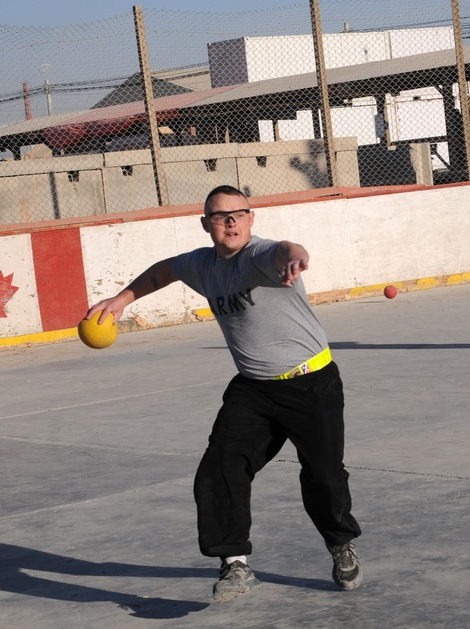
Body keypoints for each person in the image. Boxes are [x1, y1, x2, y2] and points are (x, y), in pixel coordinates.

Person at [85, 184, 362, 603]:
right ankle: (234, 563)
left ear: (251, 220)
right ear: (206, 225)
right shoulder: (202, 265)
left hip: (312, 385)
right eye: (220, 215)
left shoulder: (261, 255)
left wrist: (295, 255)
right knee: (219, 470)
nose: (230, 221)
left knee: (323, 475)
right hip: (253, 389)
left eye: (238, 213)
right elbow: (165, 270)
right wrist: (123, 300)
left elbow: (286, 248)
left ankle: (340, 543)